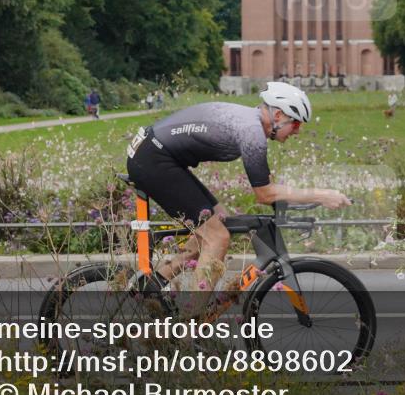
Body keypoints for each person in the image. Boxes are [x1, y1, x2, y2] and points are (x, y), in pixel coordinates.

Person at [126, 82, 350, 293]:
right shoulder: (251, 132)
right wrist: (322, 195)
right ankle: (190, 322)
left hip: (156, 154)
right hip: (153, 159)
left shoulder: (250, 123)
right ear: (278, 115)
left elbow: (266, 189)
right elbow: (264, 194)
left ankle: (152, 288)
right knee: (218, 238)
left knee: (219, 221)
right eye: (296, 123)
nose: (297, 131)